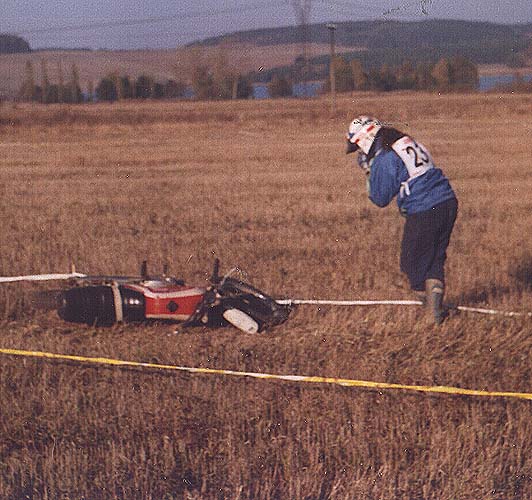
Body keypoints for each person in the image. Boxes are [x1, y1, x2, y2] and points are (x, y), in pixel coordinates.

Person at [346, 116, 458, 324]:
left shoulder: (385, 156)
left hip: (424, 209)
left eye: (358, 147)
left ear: (365, 139)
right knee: (434, 259)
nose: (360, 152)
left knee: (411, 264)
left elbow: (380, 198)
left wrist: (369, 171)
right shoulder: (405, 141)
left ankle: (432, 312)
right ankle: (436, 312)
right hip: (447, 202)